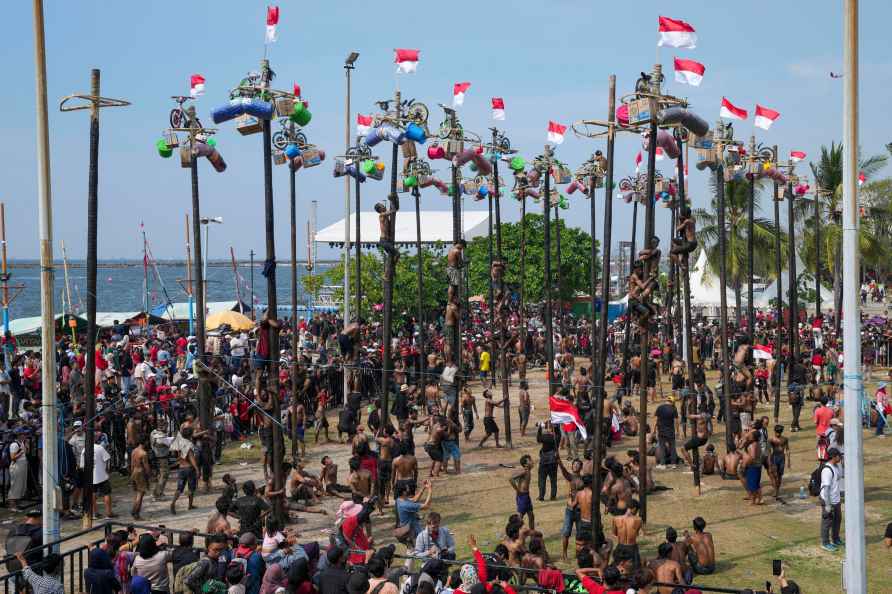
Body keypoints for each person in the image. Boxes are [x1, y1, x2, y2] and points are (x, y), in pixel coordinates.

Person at [81, 432, 116, 519]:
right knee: (106, 493)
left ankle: (95, 513)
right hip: (102, 475)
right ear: (94, 439)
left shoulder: (84, 450)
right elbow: (107, 459)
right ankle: (109, 512)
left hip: (91, 477)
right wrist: (106, 469)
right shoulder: (99, 448)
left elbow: (82, 466)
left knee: (92, 494)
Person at [169, 426, 199, 515]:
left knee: (179, 488)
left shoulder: (180, 443)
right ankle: (190, 505)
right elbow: (191, 457)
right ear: (190, 435)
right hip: (189, 468)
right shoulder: (189, 445)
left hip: (181, 468)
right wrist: (197, 469)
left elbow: (176, 454)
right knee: (191, 488)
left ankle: (173, 502)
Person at [820, 447, 844, 552]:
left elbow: (841, 476)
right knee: (827, 521)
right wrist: (828, 505)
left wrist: (842, 464)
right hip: (828, 500)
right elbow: (826, 489)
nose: (840, 457)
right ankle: (825, 543)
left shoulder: (836, 466)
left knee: (838, 519)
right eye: (839, 456)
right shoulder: (827, 470)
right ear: (834, 457)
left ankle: (836, 538)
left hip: (836, 499)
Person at [612, 500, 642, 570]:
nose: (636, 512)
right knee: (636, 569)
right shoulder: (638, 520)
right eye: (636, 510)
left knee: (617, 568)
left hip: (620, 547)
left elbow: (615, 534)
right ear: (634, 508)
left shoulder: (616, 519)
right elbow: (636, 534)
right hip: (632, 547)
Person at [509, 455, 535, 529]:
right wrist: (517, 490)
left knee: (531, 515)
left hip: (526, 496)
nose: (533, 462)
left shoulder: (528, 471)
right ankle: (513, 533)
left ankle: (532, 534)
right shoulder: (524, 471)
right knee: (520, 517)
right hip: (522, 497)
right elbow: (511, 479)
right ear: (526, 464)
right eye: (530, 460)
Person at [653, 396, 679, 467]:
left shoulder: (660, 407)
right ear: (673, 402)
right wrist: (678, 431)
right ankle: (674, 463)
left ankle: (663, 464)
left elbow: (656, 420)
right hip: (671, 431)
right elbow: (676, 421)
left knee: (662, 447)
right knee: (672, 447)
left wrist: (654, 430)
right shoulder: (674, 408)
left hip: (661, 431)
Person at [130, 439, 151, 520]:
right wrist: (149, 476)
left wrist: (131, 474)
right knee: (140, 494)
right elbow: (146, 467)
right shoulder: (144, 453)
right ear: (145, 442)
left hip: (134, 471)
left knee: (137, 493)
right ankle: (136, 513)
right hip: (140, 473)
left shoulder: (134, 451)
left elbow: (131, 464)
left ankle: (134, 510)